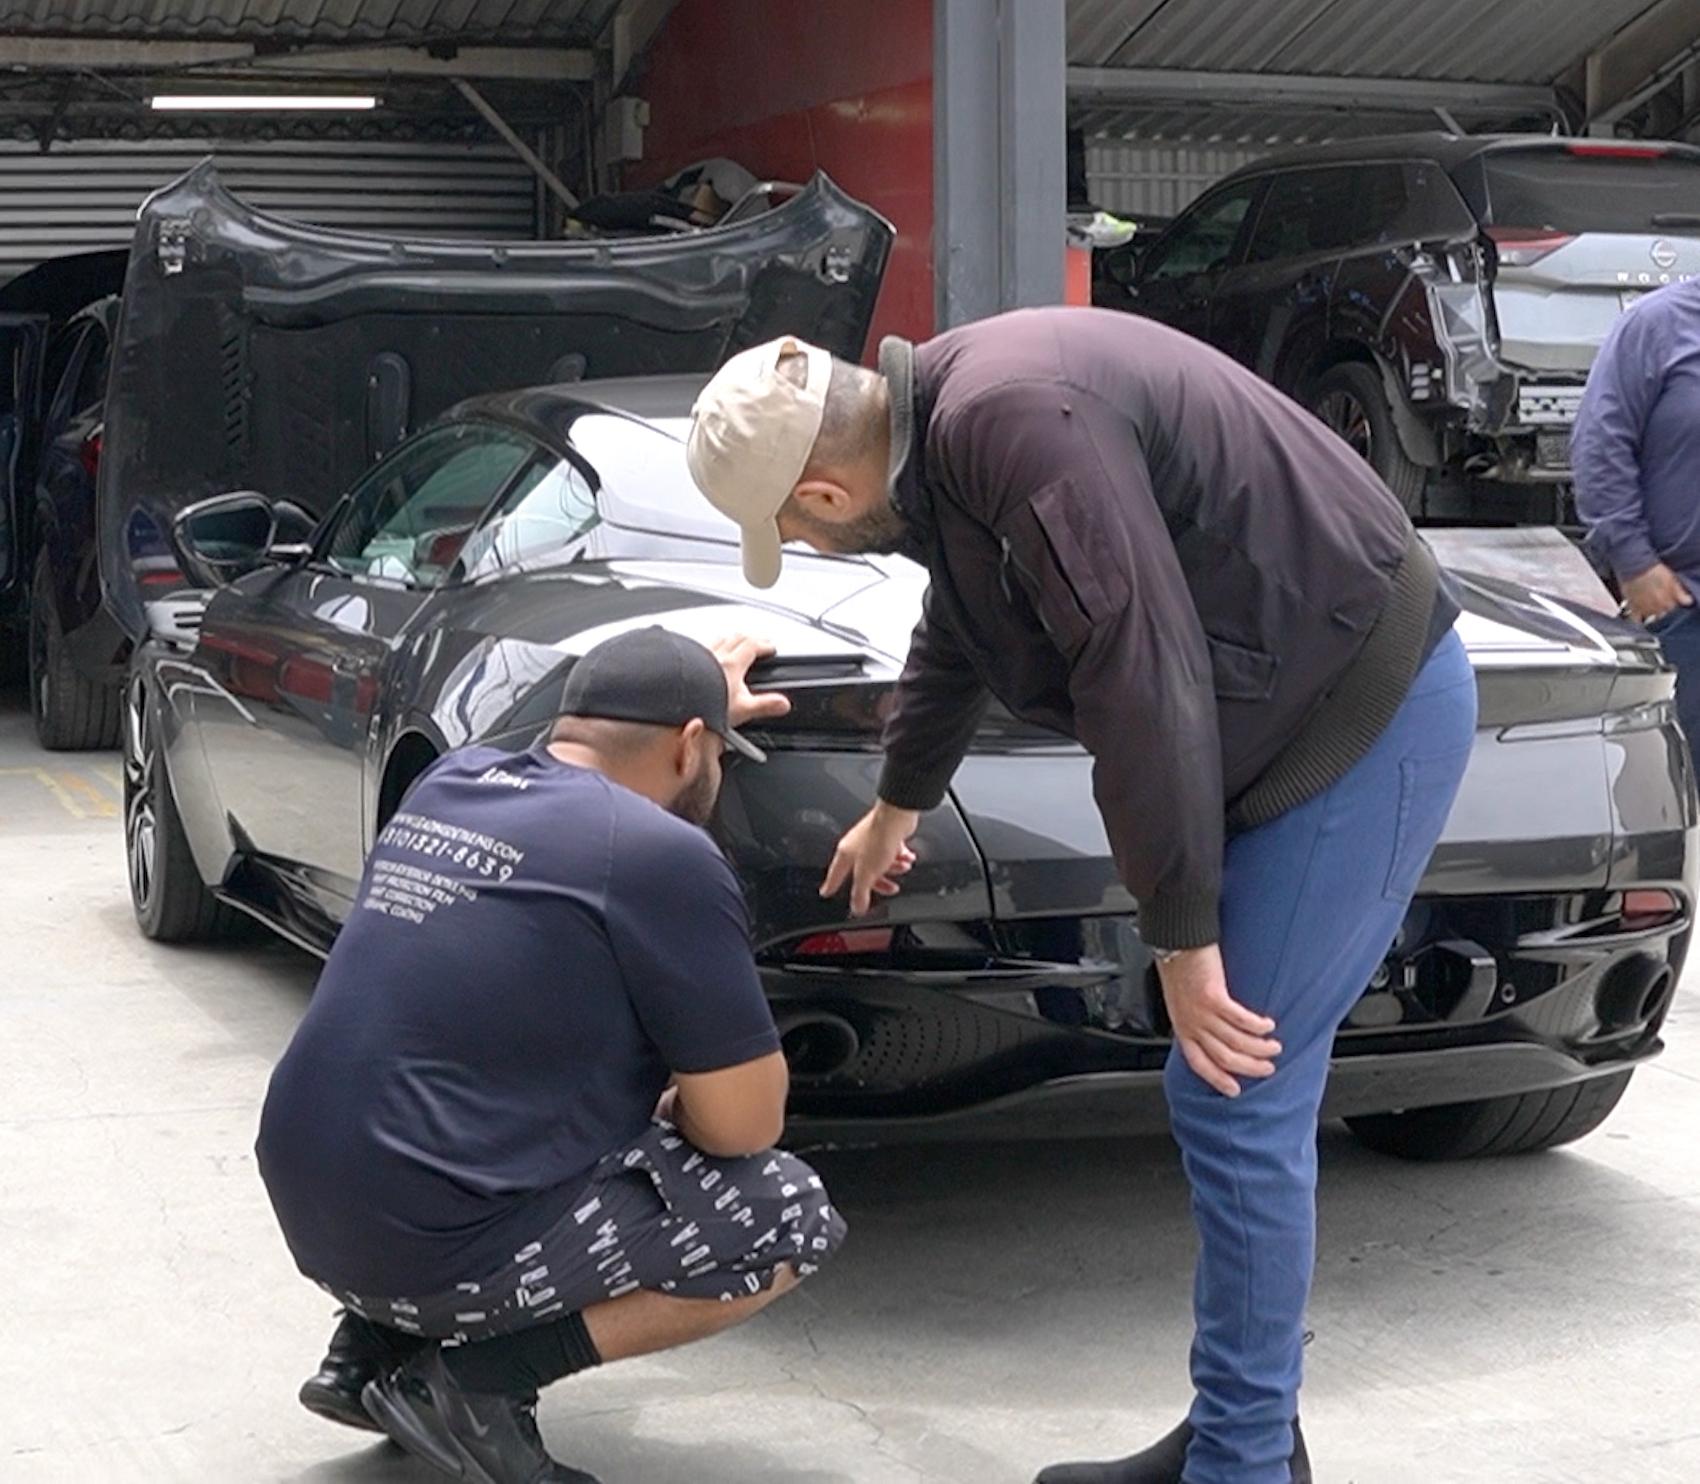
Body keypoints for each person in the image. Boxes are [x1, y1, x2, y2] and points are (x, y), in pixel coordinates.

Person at [684, 311, 1478, 1484]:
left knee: (1232, 1087)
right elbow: (962, 622)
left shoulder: (1012, 419)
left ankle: (1242, 1463)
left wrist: (1180, 936)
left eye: (792, 524)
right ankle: (1235, 1431)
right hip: (1278, 704)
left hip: (1358, 707)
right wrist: (898, 799)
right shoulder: (946, 423)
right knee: (1222, 1088)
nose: (805, 538)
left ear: (824, 492)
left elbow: (1136, 662)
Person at [256, 628, 861, 1484]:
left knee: (494, 1099)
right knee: (785, 1211)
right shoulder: (663, 855)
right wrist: (672, 1102)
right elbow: (744, 1127)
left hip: (312, 1210)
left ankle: (372, 1348)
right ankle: (470, 1383)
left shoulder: (449, 780)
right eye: (722, 754)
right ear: (693, 747)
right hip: (432, 1246)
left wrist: (688, 690)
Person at [1572, 277, 1700, 773]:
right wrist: (1634, 559)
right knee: (1673, 785)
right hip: (1684, 609)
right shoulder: (1658, 325)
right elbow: (1600, 444)